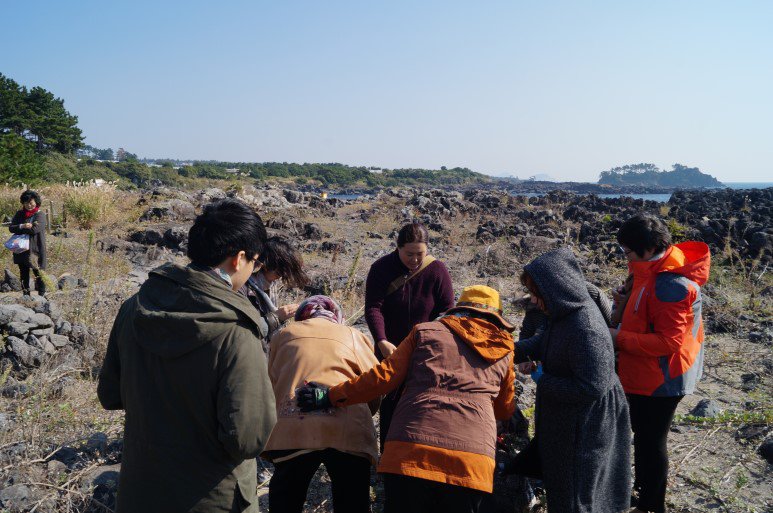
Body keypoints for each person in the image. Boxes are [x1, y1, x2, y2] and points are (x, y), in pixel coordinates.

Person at [97, 199, 276, 513]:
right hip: (212, 497)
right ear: (239, 259)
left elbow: (110, 394)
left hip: (142, 490)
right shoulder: (236, 333)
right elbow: (248, 438)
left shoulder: (133, 308)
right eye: (255, 263)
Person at [299, 285, 517, 513]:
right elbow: (504, 410)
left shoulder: (425, 332)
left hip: (411, 452)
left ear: (459, 309)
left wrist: (329, 396)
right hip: (471, 463)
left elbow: (382, 378)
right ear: (496, 318)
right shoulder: (504, 351)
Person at [510, 247, 631, 513]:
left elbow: (591, 387)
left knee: (578, 494)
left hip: (585, 427)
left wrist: (543, 378)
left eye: (536, 293)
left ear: (556, 288)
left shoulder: (585, 328)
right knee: (562, 488)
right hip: (565, 422)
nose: (533, 299)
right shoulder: (562, 314)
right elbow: (541, 341)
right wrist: (505, 349)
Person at [610, 214, 710, 513]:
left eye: (628, 251)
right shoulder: (645, 272)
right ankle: (642, 492)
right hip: (645, 370)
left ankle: (652, 505)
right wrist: (621, 304)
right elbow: (642, 317)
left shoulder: (672, 285)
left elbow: (669, 343)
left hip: (665, 377)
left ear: (647, 248)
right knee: (642, 433)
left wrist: (616, 337)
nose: (625, 256)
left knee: (651, 440)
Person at [262, 295, 380, 513]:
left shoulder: (283, 335)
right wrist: (365, 412)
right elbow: (374, 385)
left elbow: (269, 386)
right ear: (337, 316)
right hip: (348, 428)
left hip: (293, 427)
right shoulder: (355, 336)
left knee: (286, 502)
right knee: (352, 502)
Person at [364, 221, 454, 447]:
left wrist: (433, 338)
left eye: (420, 254)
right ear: (398, 248)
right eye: (409, 254)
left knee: (422, 400)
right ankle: (388, 454)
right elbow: (374, 307)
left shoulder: (437, 270)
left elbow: (447, 310)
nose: (415, 260)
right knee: (390, 401)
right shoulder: (381, 268)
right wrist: (381, 340)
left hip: (427, 348)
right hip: (390, 346)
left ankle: (416, 452)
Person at [240, 236, 309, 347]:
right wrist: (277, 317)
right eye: (279, 272)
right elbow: (242, 333)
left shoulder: (270, 286)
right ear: (266, 266)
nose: (281, 277)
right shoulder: (242, 288)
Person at [8, 190, 47, 296]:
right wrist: (23, 226)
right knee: (23, 272)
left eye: (31, 203)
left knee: (39, 272)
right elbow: (11, 228)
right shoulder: (19, 214)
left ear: (36, 202)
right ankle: (26, 295)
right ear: (23, 203)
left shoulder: (40, 215)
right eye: (26, 203)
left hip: (36, 248)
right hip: (21, 248)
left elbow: (34, 230)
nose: (29, 205)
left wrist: (19, 227)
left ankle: (42, 295)